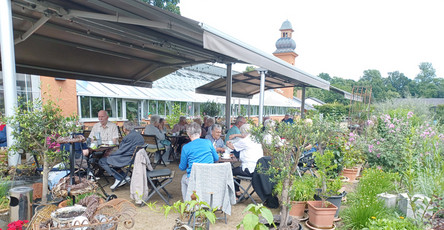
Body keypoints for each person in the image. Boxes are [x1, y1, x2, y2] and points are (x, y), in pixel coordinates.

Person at [99, 121, 144, 189]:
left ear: (125, 129)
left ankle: (119, 178)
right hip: (136, 158)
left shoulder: (128, 137)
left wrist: (111, 155)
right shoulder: (139, 136)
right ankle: (124, 177)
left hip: (129, 159)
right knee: (112, 160)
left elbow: (121, 150)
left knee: (102, 161)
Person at [179, 122, 219, 200]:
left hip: (194, 179)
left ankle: (188, 205)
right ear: (200, 133)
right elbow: (216, 159)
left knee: (183, 179)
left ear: (188, 134)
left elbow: (182, 167)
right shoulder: (208, 142)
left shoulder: (186, 147)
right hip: (209, 177)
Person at [226, 124, 263, 200]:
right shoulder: (256, 140)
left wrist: (228, 143)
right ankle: (237, 192)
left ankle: (235, 193)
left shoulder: (245, 141)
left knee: (230, 171)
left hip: (249, 169)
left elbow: (232, 147)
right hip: (258, 169)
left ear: (243, 132)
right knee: (236, 170)